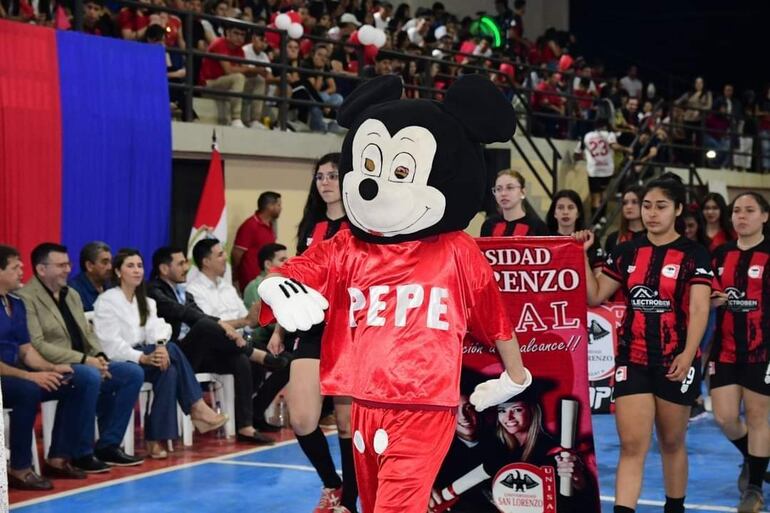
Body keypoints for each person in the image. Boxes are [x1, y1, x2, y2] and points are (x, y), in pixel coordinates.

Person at [573, 175, 713, 513]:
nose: (651, 213)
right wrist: (580, 254)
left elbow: (699, 308)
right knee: (632, 446)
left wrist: (687, 354)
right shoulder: (626, 251)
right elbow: (594, 295)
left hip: (675, 362)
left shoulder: (695, 254)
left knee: (670, 442)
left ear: (678, 209)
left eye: (661, 206)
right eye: (647, 206)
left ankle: (674, 508)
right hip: (631, 360)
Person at [266, 153, 358, 513]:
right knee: (302, 418)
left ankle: (349, 502)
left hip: (350, 328)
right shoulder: (310, 227)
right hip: (310, 327)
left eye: (333, 175)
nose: (325, 182)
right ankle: (332, 485)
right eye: (320, 176)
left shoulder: (362, 226)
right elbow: (294, 280)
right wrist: (278, 327)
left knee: (348, 423)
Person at [18, 243, 145, 469]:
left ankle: (108, 445)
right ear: (41, 269)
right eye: (61, 265)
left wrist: (99, 356)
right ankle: (79, 453)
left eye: (68, 264)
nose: (68, 269)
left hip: (85, 362)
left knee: (132, 372)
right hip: (49, 366)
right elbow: (37, 344)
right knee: (88, 376)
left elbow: (88, 332)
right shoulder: (26, 298)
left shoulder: (72, 294)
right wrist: (86, 360)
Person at [93, 248, 228, 459]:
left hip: (145, 356)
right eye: (130, 266)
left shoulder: (146, 301)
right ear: (118, 272)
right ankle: (195, 408)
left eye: (139, 266)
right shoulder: (107, 301)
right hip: (120, 360)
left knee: (169, 369)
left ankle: (156, 438)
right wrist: (143, 357)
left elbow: (158, 328)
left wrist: (160, 346)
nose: (137, 270)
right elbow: (110, 345)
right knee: (171, 353)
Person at [148, 246, 280, 443]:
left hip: (197, 353)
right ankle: (254, 353)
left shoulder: (184, 291)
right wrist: (222, 323)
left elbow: (198, 316)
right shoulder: (155, 291)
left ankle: (245, 426)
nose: (186, 267)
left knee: (239, 360)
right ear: (164, 269)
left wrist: (222, 325)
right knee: (204, 325)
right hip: (174, 353)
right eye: (181, 263)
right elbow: (185, 314)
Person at [0, 245, 104, 491]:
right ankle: (20, 467)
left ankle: (59, 456)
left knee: (74, 379)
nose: (21, 271)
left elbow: (27, 350)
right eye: (15, 268)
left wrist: (52, 368)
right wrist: (30, 376)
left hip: (18, 372)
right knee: (27, 390)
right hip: (8, 377)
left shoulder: (15, 304)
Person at [430, 387, 592, 513]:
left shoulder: (554, 452)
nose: (508, 418)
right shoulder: (492, 448)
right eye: (502, 411)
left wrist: (577, 480)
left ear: (532, 410)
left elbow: (577, 501)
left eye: (517, 409)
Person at [709, 192, 770, 512]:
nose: (741, 216)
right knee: (725, 417)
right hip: (725, 350)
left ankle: (755, 488)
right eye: (736, 211)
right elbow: (705, 294)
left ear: (764, 216)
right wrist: (711, 299)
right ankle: (755, 457)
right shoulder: (719, 254)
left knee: (759, 418)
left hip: (764, 352)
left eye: (749, 211)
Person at [198, 25, 262, 128]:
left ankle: (255, 120)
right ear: (227, 33)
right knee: (238, 77)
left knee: (259, 80)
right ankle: (236, 118)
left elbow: (245, 70)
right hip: (209, 84)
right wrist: (250, 69)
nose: (239, 37)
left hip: (226, 86)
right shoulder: (219, 43)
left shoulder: (240, 50)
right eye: (236, 33)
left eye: (242, 35)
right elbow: (229, 70)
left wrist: (257, 71)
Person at [574, 117, 631, 219]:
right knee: (603, 193)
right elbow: (613, 146)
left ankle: (595, 221)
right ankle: (603, 218)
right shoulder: (609, 134)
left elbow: (577, 153)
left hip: (593, 170)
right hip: (607, 170)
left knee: (595, 196)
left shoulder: (587, 136)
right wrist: (627, 149)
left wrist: (587, 157)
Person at [232, 191, 281, 290]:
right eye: (278, 205)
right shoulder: (250, 225)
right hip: (251, 283)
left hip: (266, 281)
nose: (281, 208)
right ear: (270, 206)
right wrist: (235, 277)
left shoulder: (271, 225)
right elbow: (236, 254)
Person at [480, 169, 548, 236]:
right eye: (498, 189)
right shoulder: (489, 225)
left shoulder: (537, 226)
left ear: (522, 192)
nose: (503, 193)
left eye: (510, 188)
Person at [68, 241, 113, 312]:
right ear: (89, 266)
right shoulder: (73, 290)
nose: (110, 267)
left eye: (110, 262)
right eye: (105, 262)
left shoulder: (111, 287)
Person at [604, 186, 645, 256]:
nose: (628, 206)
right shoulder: (613, 238)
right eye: (625, 203)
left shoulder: (653, 236)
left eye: (635, 202)